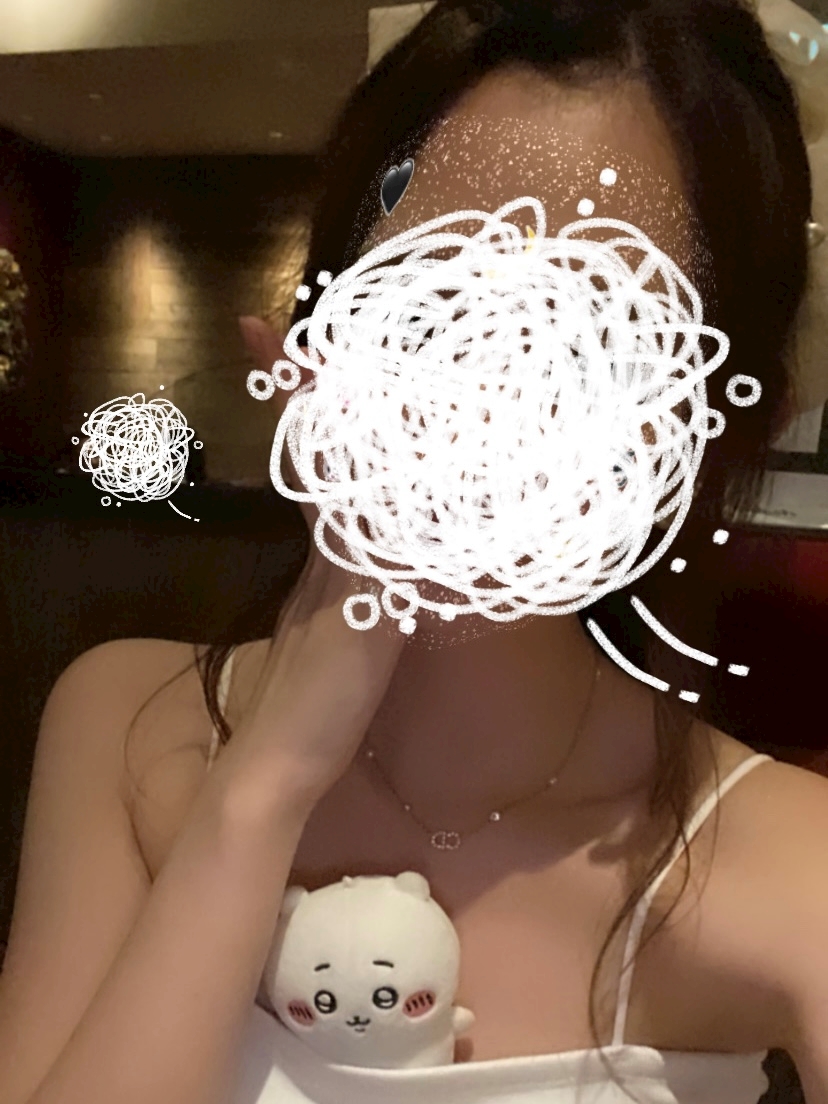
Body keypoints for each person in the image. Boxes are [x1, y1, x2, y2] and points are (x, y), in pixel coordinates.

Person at [2, 2, 828, 1103]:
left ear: (716, 420)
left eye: (592, 328)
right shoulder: (123, 724)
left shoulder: (793, 865)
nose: (482, 391)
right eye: (435, 289)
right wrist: (262, 789)